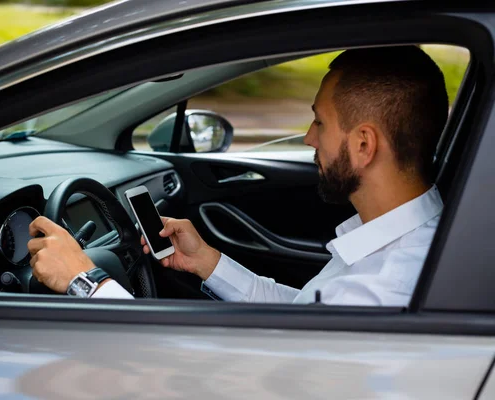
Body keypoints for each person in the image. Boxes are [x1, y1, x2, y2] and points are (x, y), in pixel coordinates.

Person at [27, 45, 448, 306]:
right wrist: (208, 264)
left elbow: (201, 376)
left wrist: (85, 280)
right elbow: (305, 313)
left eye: (320, 122)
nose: (307, 139)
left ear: (363, 145)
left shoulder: (383, 288)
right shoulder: (405, 242)